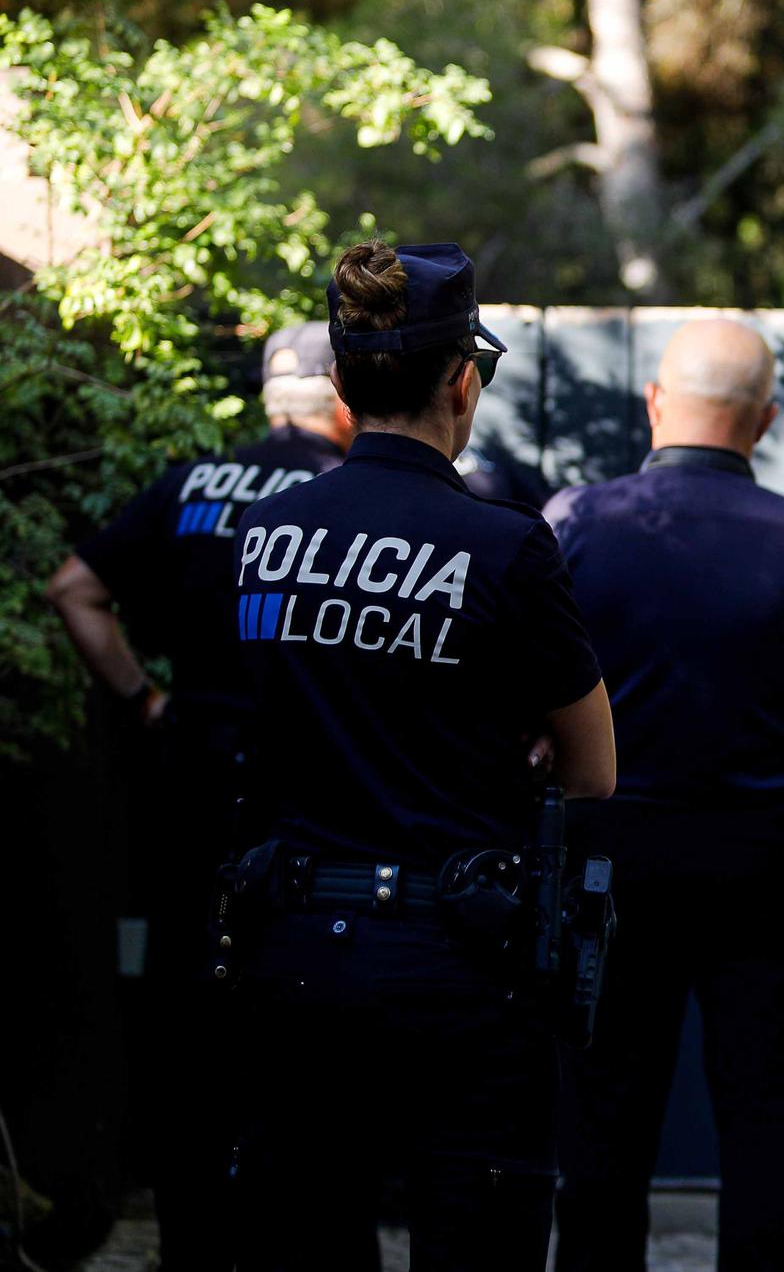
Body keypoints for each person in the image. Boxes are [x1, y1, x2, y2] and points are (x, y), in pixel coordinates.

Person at [226, 240, 616, 1268]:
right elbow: (593, 770)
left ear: (345, 386)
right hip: (458, 963)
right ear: (463, 380)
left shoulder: (264, 534)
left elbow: (255, 718)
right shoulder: (506, 544)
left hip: (295, 948)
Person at [544, 319, 784, 1271]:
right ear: (764, 420)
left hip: (613, 850)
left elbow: (540, 693)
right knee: (764, 1114)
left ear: (654, 401)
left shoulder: (576, 522)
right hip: (765, 850)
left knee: (603, 1113)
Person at [43, 322, 355, 1269]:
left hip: (192, 773)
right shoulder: (347, 498)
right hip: (316, 789)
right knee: (314, 1023)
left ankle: (191, 1245)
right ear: (343, 401)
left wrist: (146, 697)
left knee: (190, 1016)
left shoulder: (193, 485)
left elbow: (73, 587)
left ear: (266, 398)